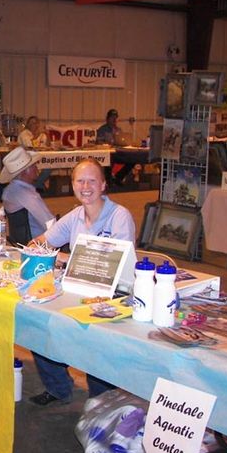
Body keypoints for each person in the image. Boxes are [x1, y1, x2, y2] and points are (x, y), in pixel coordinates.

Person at [29, 158, 136, 405]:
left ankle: (102, 404)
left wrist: (68, 258)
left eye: (92, 181)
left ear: (103, 185)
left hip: (113, 294)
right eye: (80, 181)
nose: (86, 186)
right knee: (37, 321)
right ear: (73, 184)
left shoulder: (120, 216)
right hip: (78, 288)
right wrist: (51, 254)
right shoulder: (75, 216)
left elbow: (117, 263)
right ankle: (58, 387)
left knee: (95, 344)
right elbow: (40, 243)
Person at [0, 146, 55, 240]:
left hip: (22, 239)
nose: (37, 168)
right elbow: (49, 223)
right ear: (25, 171)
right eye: (33, 166)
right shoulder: (28, 196)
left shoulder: (8, 191)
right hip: (40, 242)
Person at [96, 109, 133, 187]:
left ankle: (118, 178)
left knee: (132, 160)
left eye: (115, 118)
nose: (114, 119)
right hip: (107, 154)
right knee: (109, 160)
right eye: (112, 117)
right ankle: (109, 181)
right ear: (107, 118)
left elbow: (122, 141)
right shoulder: (102, 130)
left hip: (118, 153)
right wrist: (107, 145)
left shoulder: (118, 130)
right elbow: (98, 142)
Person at [18, 116, 51, 191]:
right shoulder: (24, 134)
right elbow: (30, 145)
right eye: (32, 123)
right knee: (44, 169)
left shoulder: (41, 134)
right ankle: (37, 186)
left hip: (39, 157)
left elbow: (48, 145)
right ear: (28, 125)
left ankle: (36, 185)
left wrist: (47, 135)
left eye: (36, 123)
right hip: (26, 159)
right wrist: (37, 135)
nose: (35, 125)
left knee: (49, 166)